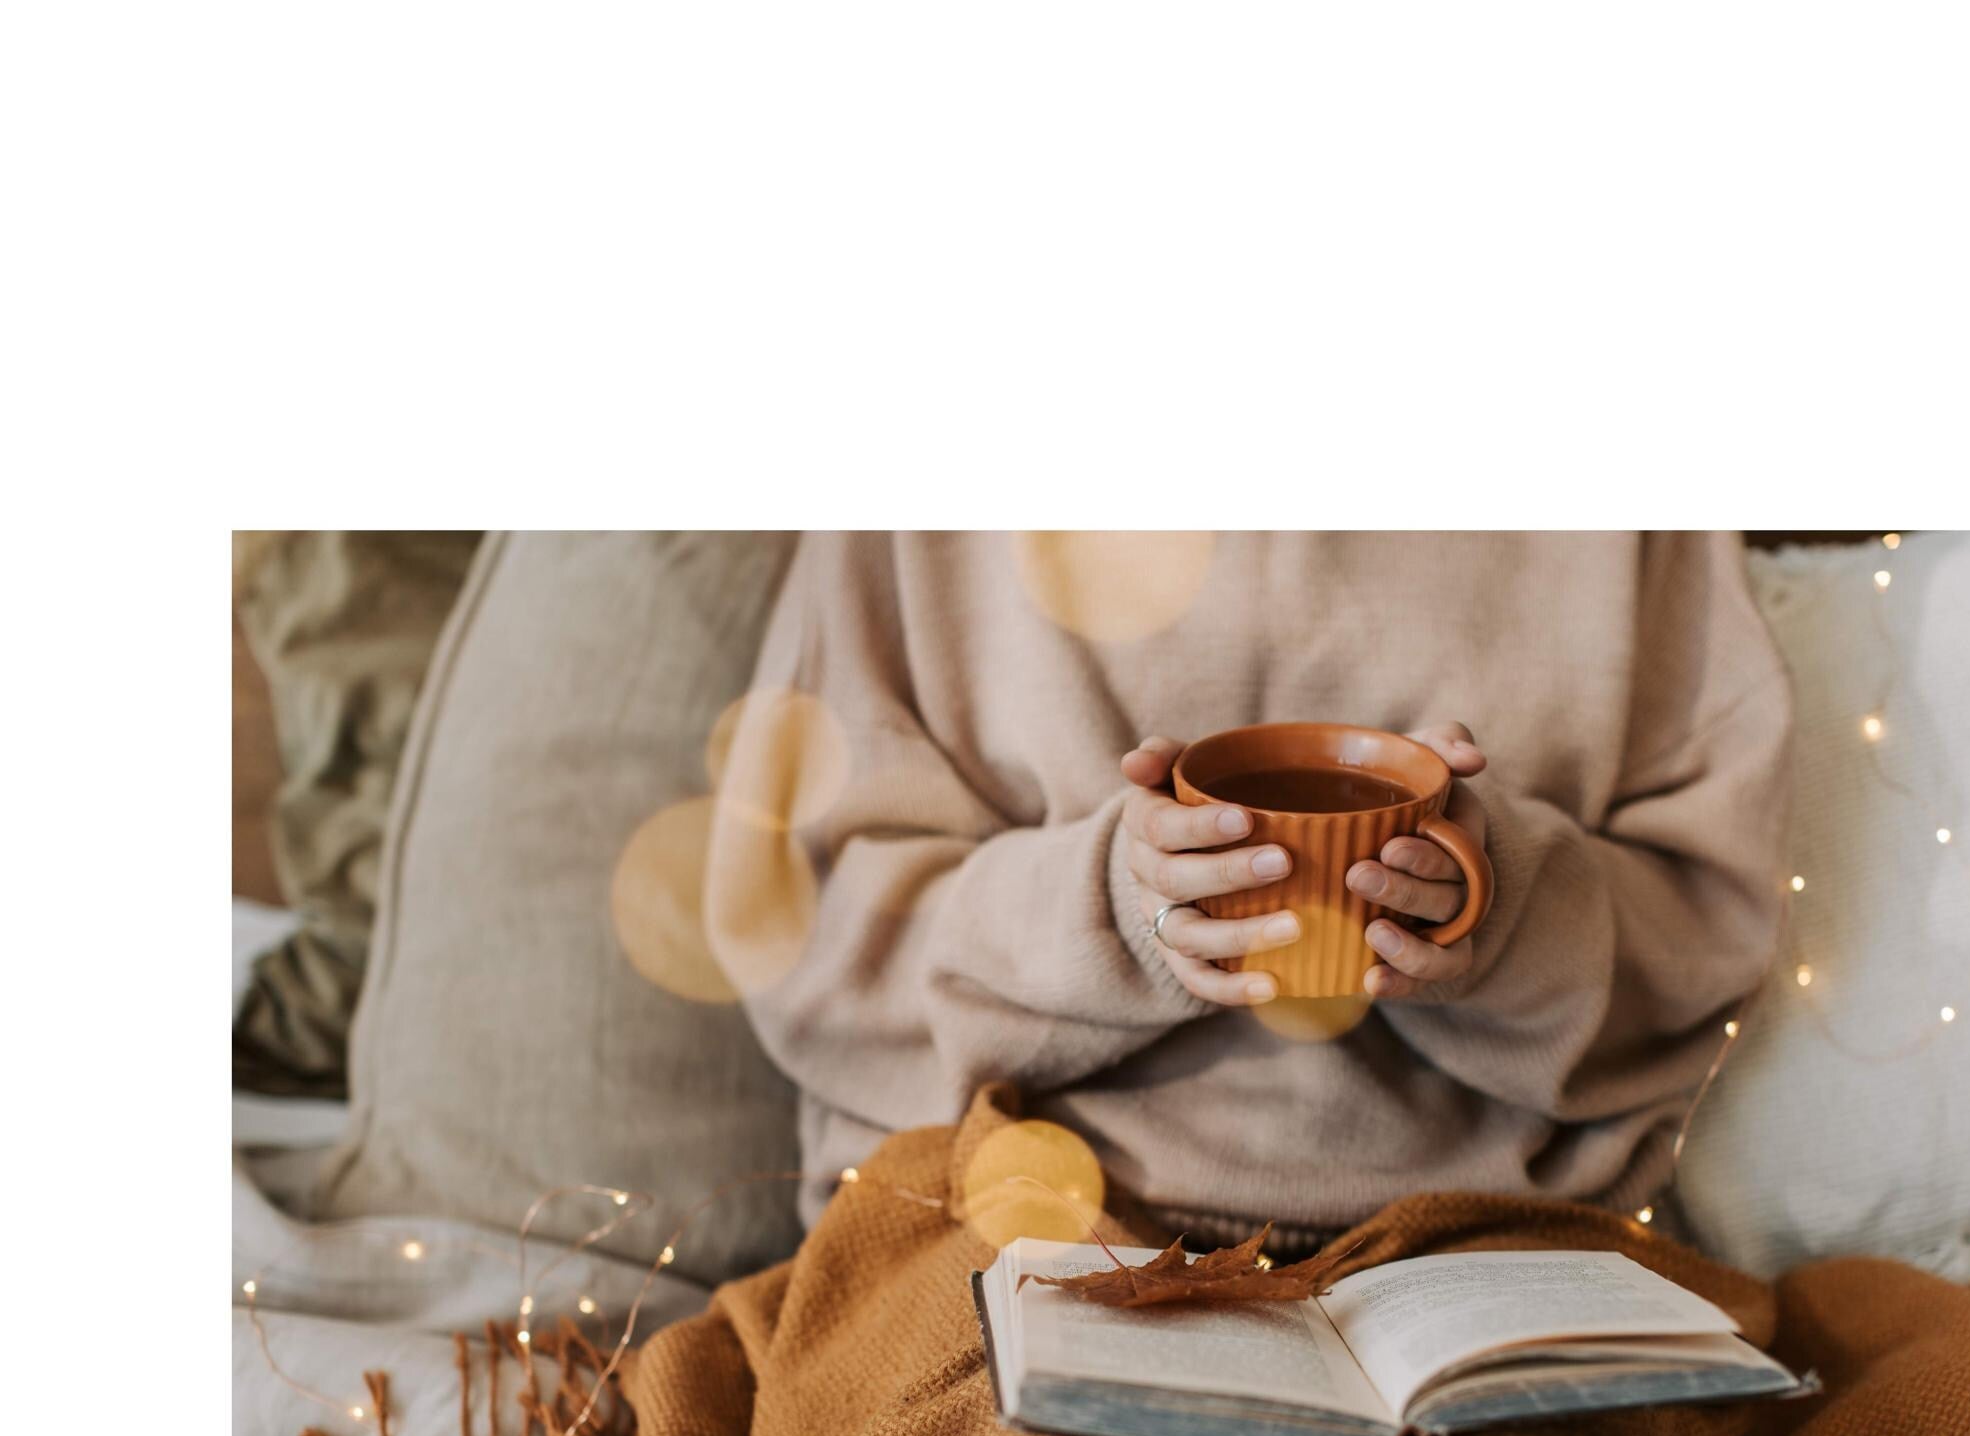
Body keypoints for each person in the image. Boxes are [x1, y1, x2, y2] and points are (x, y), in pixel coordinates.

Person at [710, 532, 1792, 1251]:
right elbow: (805, 928)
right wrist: (1115, 909)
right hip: (1006, 1225)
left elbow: (1706, 918)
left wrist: (1497, 909)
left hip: (1489, 1246)